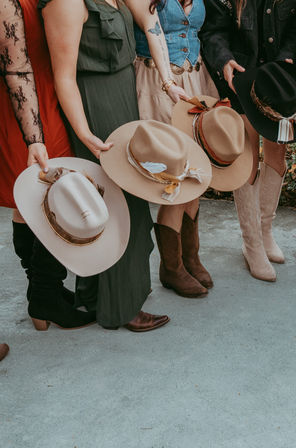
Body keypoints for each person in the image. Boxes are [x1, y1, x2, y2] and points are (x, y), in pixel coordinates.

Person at [40, 0, 170, 332]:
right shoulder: (65, 3)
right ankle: (121, 307)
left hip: (123, 97)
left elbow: (149, 18)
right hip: (96, 107)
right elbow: (64, 77)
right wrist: (86, 134)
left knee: (126, 200)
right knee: (119, 207)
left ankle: (98, 297)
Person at [1, 0, 94, 330]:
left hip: (36, 96)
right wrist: (34, 137)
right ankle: (45, 298)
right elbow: (16, 68)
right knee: (49, 200)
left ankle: (42, 291)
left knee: (27, 203)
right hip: (27, 106)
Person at [200, 0, 296, 282]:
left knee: (277, 154)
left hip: (275, 80)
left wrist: (286, 57)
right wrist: (223, 60)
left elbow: (294, 26)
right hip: (240, 80)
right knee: (248, 159)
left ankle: (266, 231)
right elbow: (212, 31)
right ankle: (252, 243)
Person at [134, 0, 219, 298]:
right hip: (160, 82)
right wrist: (168, 81)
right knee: (176, 172)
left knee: (196, 170)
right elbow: (151, 29)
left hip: (196, 79)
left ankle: (189, 257)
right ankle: (171, 267)